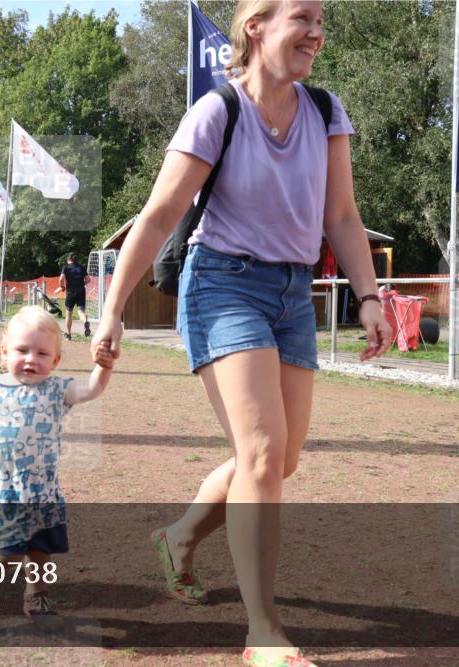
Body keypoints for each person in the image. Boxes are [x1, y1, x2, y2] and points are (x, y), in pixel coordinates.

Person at [91, 2, 390, 665]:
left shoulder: (325, 110)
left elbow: (342, 215)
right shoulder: (216, 111)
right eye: (302, 18)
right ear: (256, 26)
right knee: (260, 453)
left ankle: (178, 536)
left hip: (293, 293)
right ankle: (263, 633)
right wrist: (111, 308)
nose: (317, 32)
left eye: (321, 21)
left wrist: (369, 297)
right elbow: (158, 215)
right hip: (222, 285)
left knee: (279, 459)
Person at [0, 306, 114, 623]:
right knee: (9, 549)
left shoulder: (57, 389)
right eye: (22, 350)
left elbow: (92, 389)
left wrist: (104, 365)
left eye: (42, 353)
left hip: (43, 491)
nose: (31, 359)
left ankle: (36, 597)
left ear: (55, 360)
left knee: (41, 549)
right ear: (5, 351)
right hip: (2, 490)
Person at [58, 252, 91, 340]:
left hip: (70, 293)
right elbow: (88, 279)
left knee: (69, 313)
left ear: (68, 259)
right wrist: (81, 284)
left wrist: (62, 286)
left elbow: (61, 279)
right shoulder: (81, 267)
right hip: (81, 292)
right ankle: (85, 321)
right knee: (81, 311)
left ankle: (68, 334)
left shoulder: (66, 267)